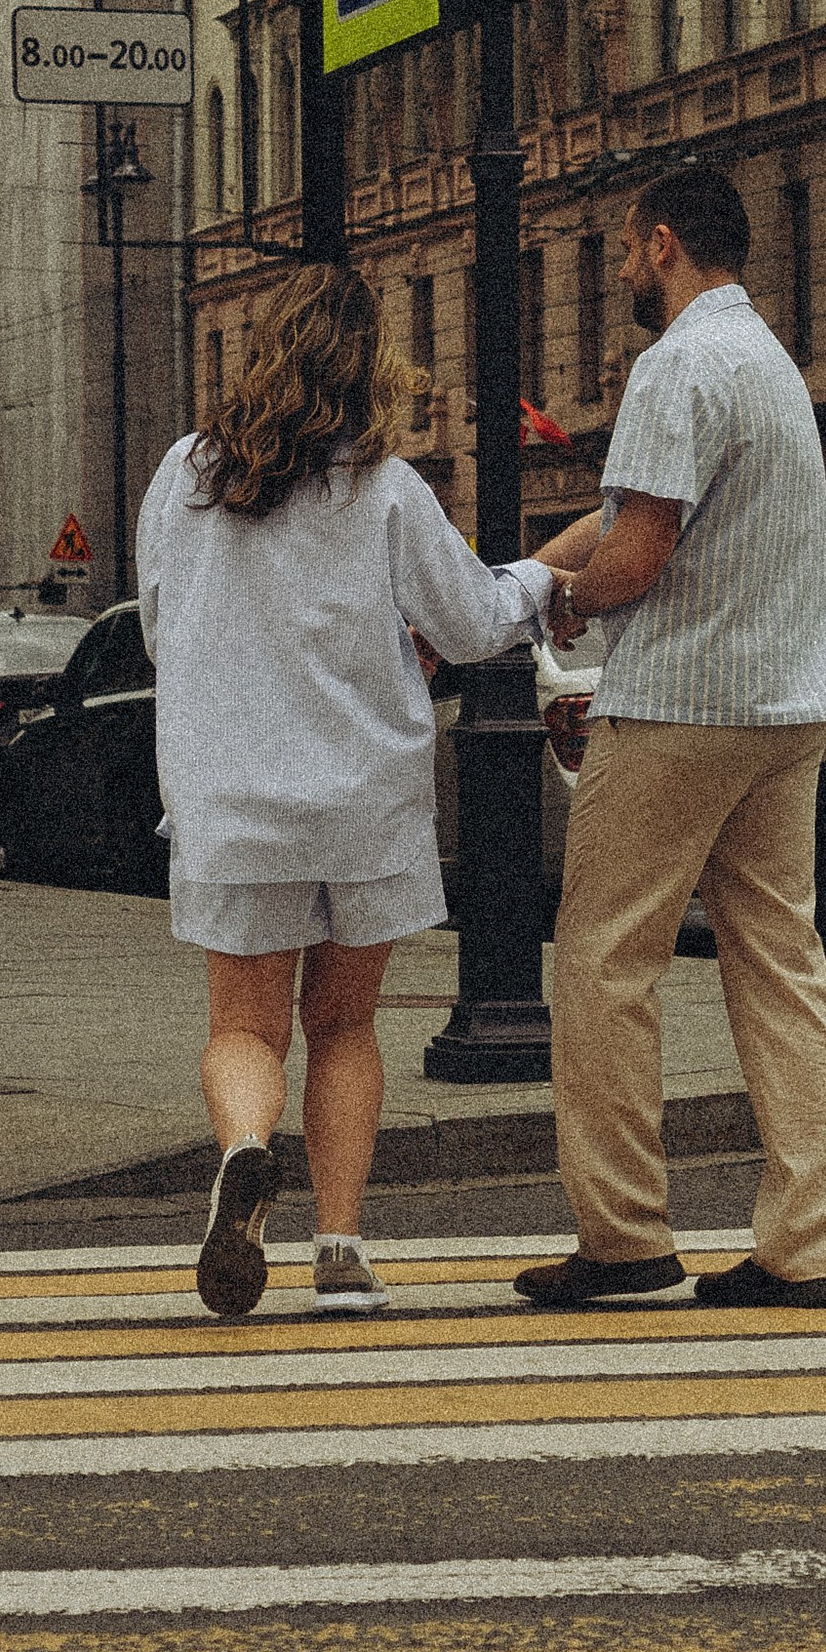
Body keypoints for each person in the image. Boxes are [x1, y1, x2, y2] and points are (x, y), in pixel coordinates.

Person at [139, 263, 558, 1319]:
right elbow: (469, 624)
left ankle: (244, 1151)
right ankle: (339, 1248)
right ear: (367, 367)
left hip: (232, 793)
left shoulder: (184, 476)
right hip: (362, 796)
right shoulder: (385, 487)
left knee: (244, 1028)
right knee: (345, 1023)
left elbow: (157, 627)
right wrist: (546, 580)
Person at [521, 163, 826, 1311]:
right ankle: (800, 1246)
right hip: (786, 708)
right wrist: (541, 562)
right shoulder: (766, 365)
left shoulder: (673, 367)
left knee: (603, 961)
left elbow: (635, 554)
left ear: (662, 244)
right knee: (781, 968)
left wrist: (553, 602)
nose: (619, 270)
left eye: (622, 248)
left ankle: (623, 1238)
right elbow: (623, 517)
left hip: (678, 709)